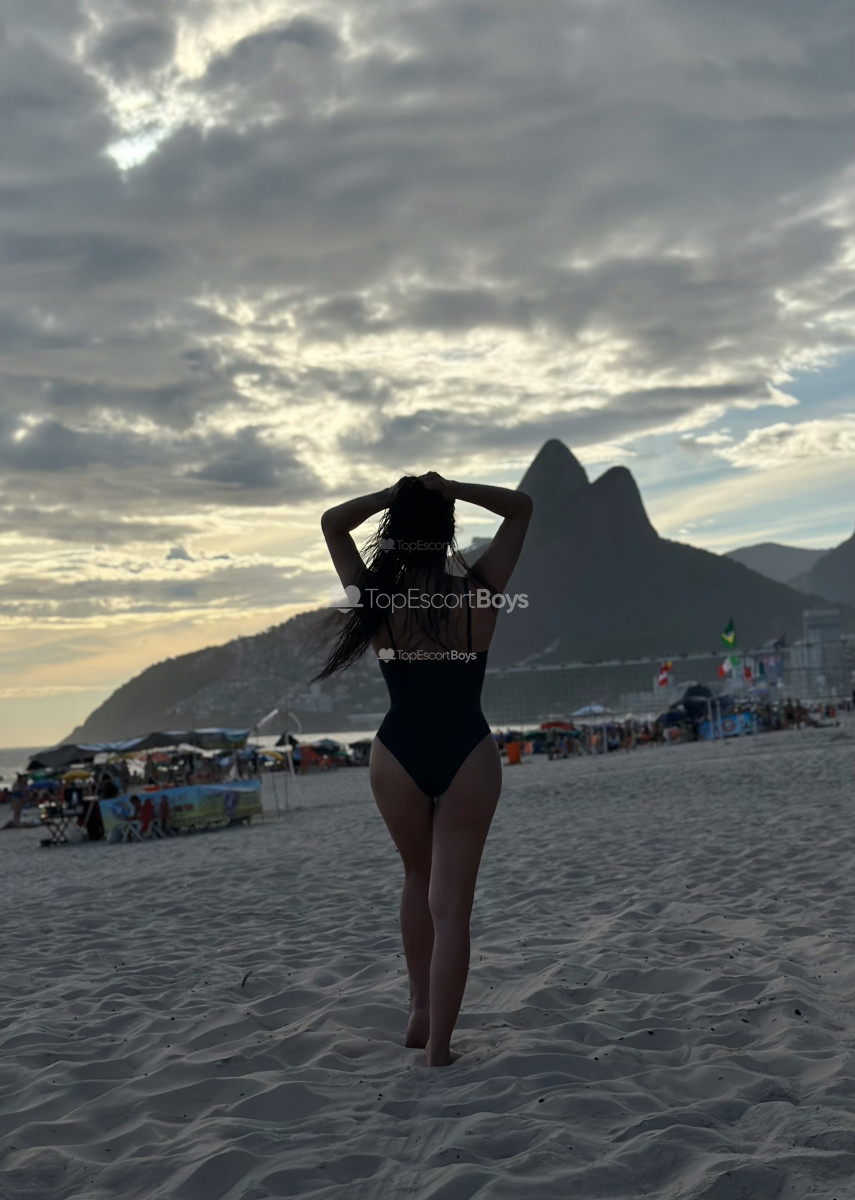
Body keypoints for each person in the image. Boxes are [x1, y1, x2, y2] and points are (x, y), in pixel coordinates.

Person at [315, 471, 532, 1068]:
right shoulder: (480, 592)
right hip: (468, 750)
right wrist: (451, 487)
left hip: (396, 752)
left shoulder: (377, 599)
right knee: (452, 907)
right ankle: (439, 1048)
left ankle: (419, 1010)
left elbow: (333, 524)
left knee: (416, 876)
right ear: (447, 532)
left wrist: (392, 497)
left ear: (397, 532)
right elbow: (521, 508)